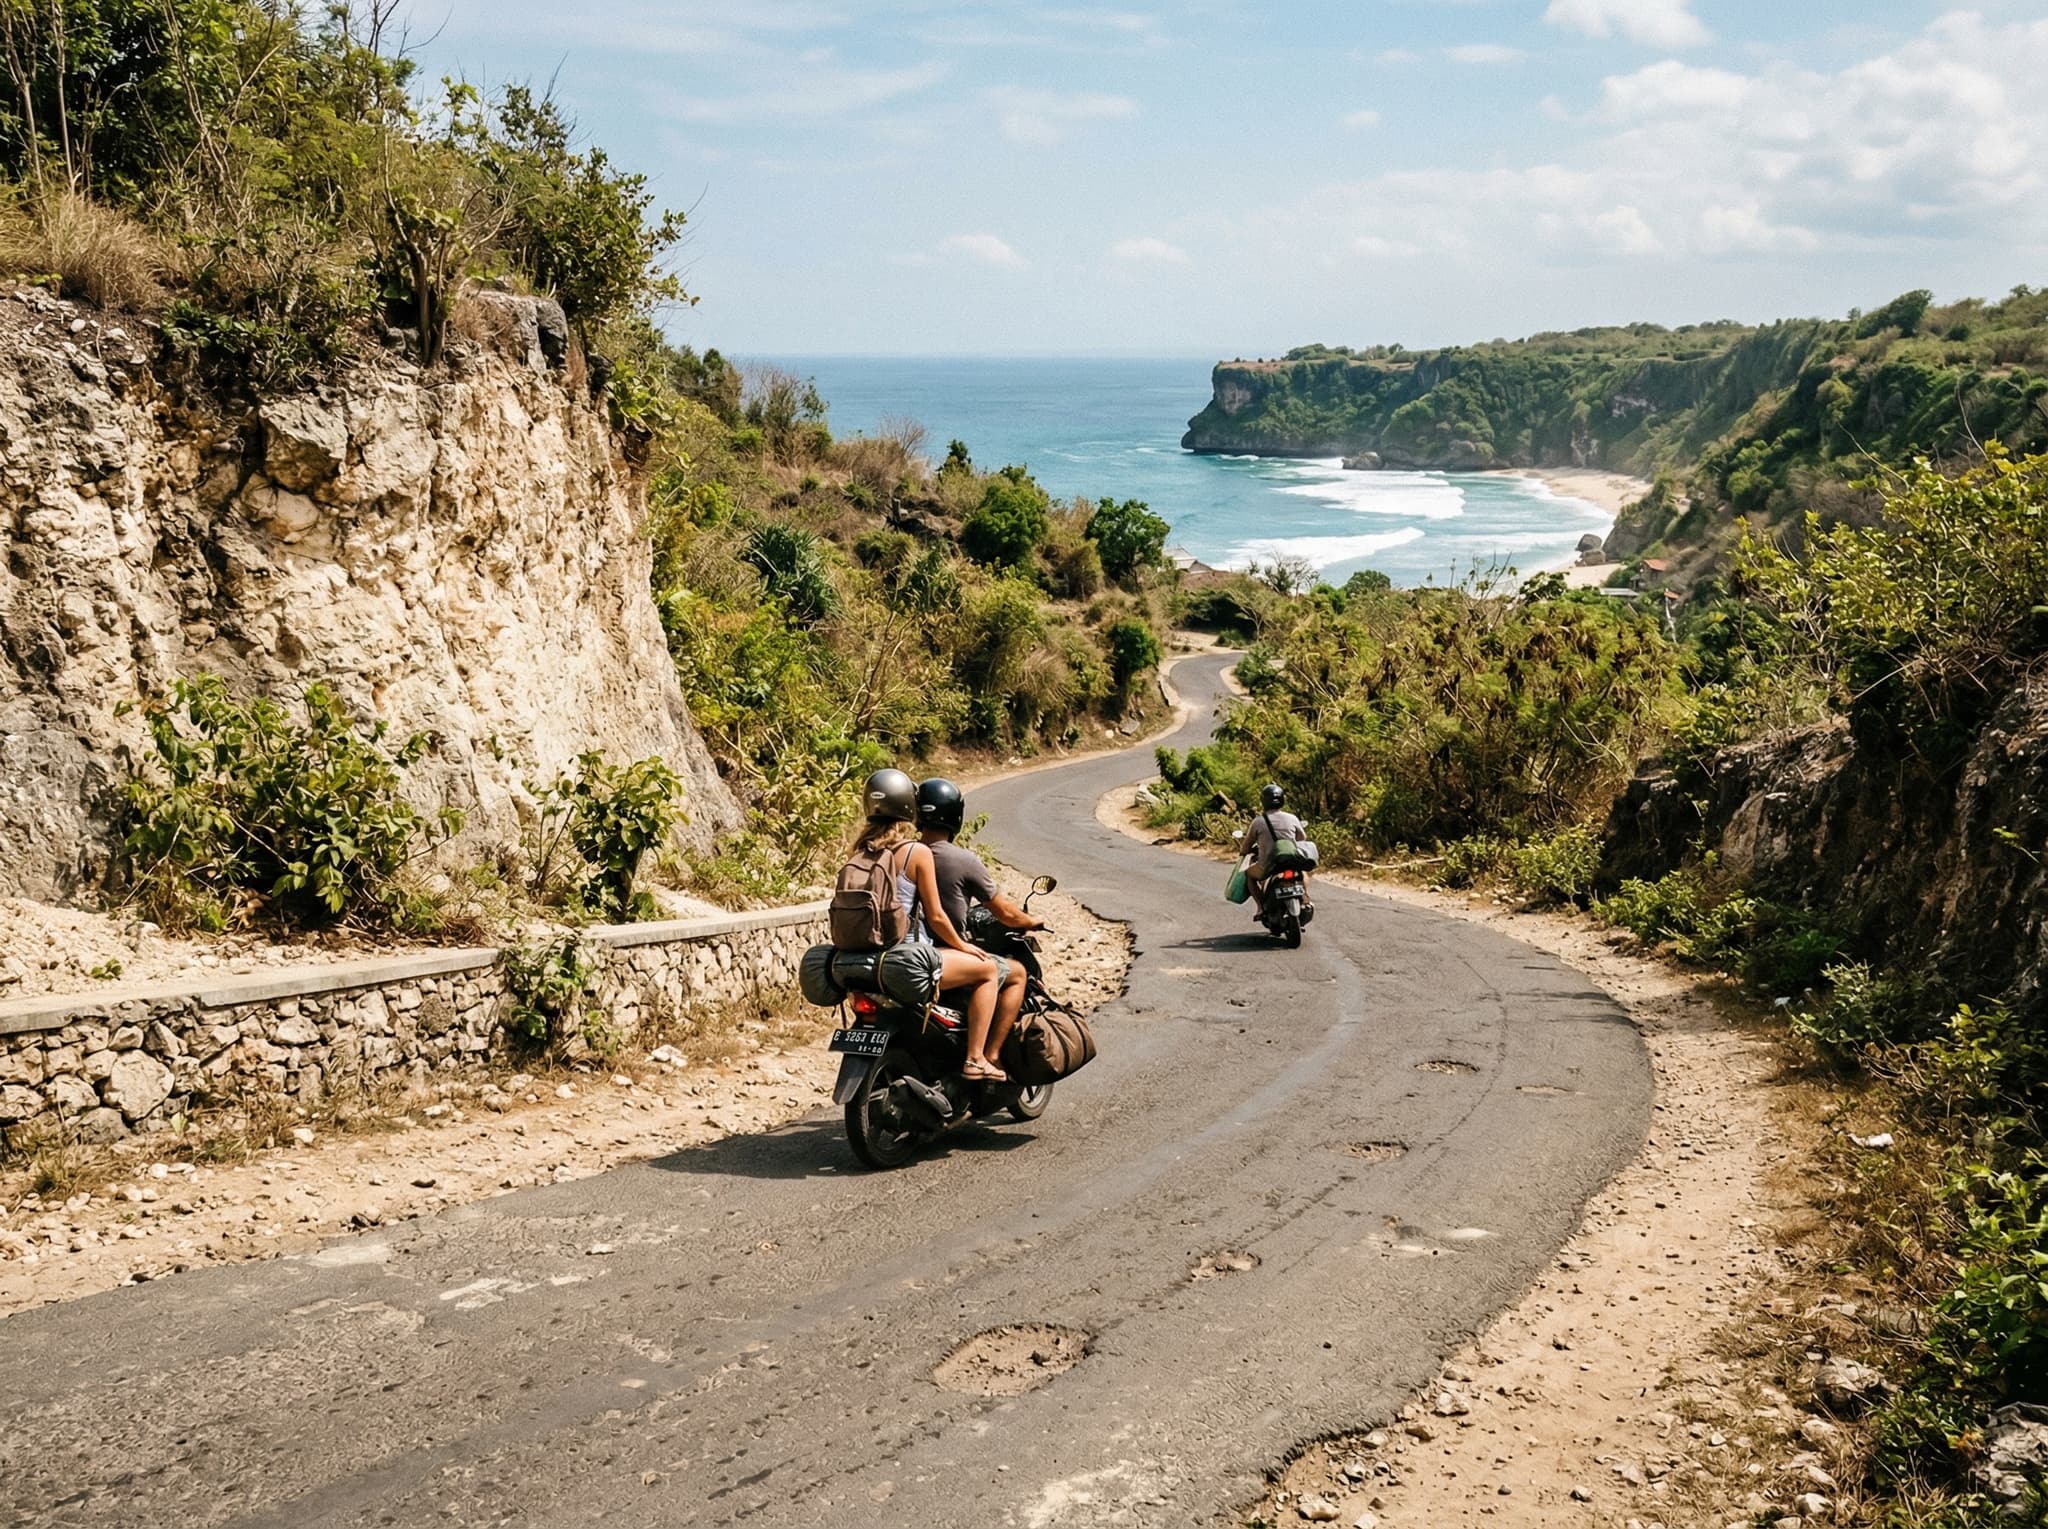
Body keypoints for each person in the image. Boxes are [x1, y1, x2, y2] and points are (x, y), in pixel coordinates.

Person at [847, 769, 1007, 1080]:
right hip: (906, 956)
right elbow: (935, 916)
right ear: (910, 809)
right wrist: (965, 947)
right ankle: (975, 1059)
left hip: (864, 954)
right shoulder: (916, 852)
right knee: (988, 970)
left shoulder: (860, 852)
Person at [915, 777, 1043, 1074]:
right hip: (943, 955)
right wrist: (1032, 921)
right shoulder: (963, 860)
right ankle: (987, 1056)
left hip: (907, 952)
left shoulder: (903, 854)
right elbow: (1005, 913)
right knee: (1016, 974)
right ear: (955, 817)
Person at [1243, 783, 1308, 916]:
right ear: (1282, 800)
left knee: (1249, 874)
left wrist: (1244, 852)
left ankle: (1260, 907)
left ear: (1263, 801)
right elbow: (1302, 838)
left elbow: (1246, 845)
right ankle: (1304, 897)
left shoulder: (1258, 822)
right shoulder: (1292, 818)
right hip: (1291, 861)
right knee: (1304, 873)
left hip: (1268, 865)